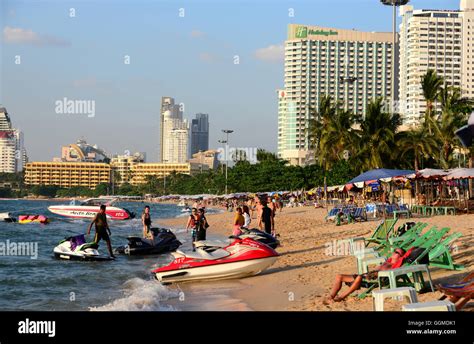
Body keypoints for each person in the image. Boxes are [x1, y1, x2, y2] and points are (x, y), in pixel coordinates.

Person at [325, 248, 406, 303]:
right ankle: (331, 296)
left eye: (396, 252)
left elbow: (389, 273)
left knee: (359, 278)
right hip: (367, 276)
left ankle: (342, 296)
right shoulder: (387, 261)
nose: (393, 252)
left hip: (375, 279)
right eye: (394, 251)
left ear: (400, 256)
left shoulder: (394, 265)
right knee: (339, 276)